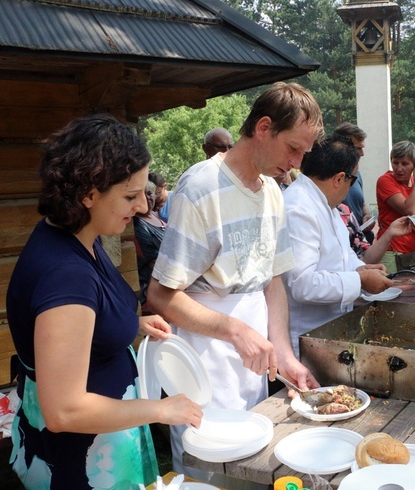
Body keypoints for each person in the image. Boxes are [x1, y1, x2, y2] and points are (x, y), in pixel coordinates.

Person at [6, 114, 202, 488]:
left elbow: (80, 322)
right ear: (89, 193)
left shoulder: (74, 234)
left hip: (101, 440)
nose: (143, 207)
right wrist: (161, 409)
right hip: (80, 461)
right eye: (130, 196)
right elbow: (65, 409)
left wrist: (131, 323)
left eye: (144, 193)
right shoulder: (66, 275)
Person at [146, 82, 322, 473]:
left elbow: (272, 284)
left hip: (251, 357)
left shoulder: (273, 191)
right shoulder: (201, 186)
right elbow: (160, 295)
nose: (297, 162)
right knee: (207, 468)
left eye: (303, 153)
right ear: (263, 127)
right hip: (204, 358)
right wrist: (235, 331)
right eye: (293, 148)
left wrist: (287, 357)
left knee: (252, 465)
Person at [283, 138, 412, 356]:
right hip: (304, 340)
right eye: (353, 180)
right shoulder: (298, 208)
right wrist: (359, 280)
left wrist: (362, 269)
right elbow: (303, 284)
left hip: (329, 331)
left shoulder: (326, 205)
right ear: (340, 178)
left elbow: (343, 255)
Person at [376, 141, 415, 273]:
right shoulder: (385, 181)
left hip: (414, 250)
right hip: (392, 251)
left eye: (404, 164)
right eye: (395, 162)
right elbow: (408, 210)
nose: (398, 168)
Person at [333, 122, 375, 243]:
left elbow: (361, 202)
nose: (362, 154)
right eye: (358, 148)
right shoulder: (328, 175)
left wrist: (366, 215)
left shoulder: (357, 173)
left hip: (361, 239)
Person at [133, 180, 167, 307]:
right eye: (142, 194)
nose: (147, 198)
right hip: (153, 287)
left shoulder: (154, 216)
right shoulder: (137, 224)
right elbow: (154, 262)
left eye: (149, 193)